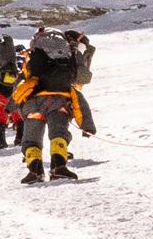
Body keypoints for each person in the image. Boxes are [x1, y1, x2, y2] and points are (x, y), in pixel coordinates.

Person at [13, 23, 96, 184]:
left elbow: (25, 84)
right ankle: (59, 168)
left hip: (33, 104)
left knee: (31, 138)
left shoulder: (33, 59)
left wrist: (12, 104)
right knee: (59, 134)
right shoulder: (67, 60)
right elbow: (79, 92)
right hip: (60, 103)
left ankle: (35, 171)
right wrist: (86, 125)